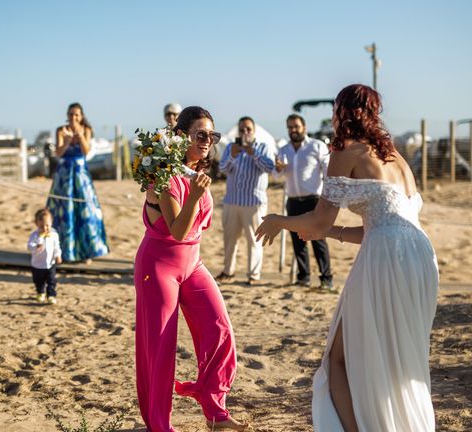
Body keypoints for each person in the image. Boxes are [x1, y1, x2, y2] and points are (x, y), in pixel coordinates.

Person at [256, 84, 438, 431]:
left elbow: (321, 218)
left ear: (342, 112)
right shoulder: (396, 157)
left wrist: (280, 220)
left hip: (385, 259)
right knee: (401, 360)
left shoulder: (345, 150)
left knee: (337, 360)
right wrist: (331, 233)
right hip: (420, 257)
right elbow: (384, 226)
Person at [135, 106, 246, 431]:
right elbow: (179, 229)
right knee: (160, 347)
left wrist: (198, 191)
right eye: (202, 135)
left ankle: (216, 412)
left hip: (192, 263)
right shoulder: (163, 175)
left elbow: (197, 231)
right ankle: (160, 425)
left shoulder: (193, 171)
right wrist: (196, 195)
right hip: (158, 268)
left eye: (213, 135)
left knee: (219, 328)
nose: (209, 141)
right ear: (182, 137)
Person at [275, 113, 333, 289]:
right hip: (293, 201)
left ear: (304, 128)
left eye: (296, 126)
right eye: (290, 127)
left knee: (319, 239)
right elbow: (276, 175)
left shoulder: (317, 146)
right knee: (298, 241)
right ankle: (304, 277)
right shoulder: (284, 150)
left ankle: (326, 278)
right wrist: (278, 169)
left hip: (314, 200)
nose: (293, 130)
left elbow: (327, 171)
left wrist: (327, 197)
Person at [47, 103, 109, 262]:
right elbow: (58, 153)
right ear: (67, 115)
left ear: (81, 116)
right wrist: (67, 141)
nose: (73, 117)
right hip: (64, 174)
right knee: (63, 210)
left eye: (76, 115)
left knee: (86, 209)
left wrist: (80, 136)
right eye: (71, 114)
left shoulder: (86, 130)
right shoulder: (61, 130)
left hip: (81, 174)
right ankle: (63, 252)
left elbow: (87, 151)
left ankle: (86, 252)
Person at [216, 116, 274, 284]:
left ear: (254, 131)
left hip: (254, 203)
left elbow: (269, 167)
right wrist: (232, 156)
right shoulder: (230, 147)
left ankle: (253, 275)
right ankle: (228, 271)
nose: (245, 132)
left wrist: (253, 153)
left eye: (248, 129)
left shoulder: (263, 147)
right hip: (232, 201)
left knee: (255, 241)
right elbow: (222, 169)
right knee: (229, 239)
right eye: (242, 129)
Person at [27, 208, 62, 304]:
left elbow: (56, 246)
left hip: (50, 263)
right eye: (42, 226)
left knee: (52, 280)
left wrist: (58, 255)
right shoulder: (34, 236)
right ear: (36, 224)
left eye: (47, 225)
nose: (45, 228)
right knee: (39, 281)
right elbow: (29, 246)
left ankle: (51, 295)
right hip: (38, 264)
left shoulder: (54, 234)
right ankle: (41, 292)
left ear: (51, 223)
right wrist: (36, 246)